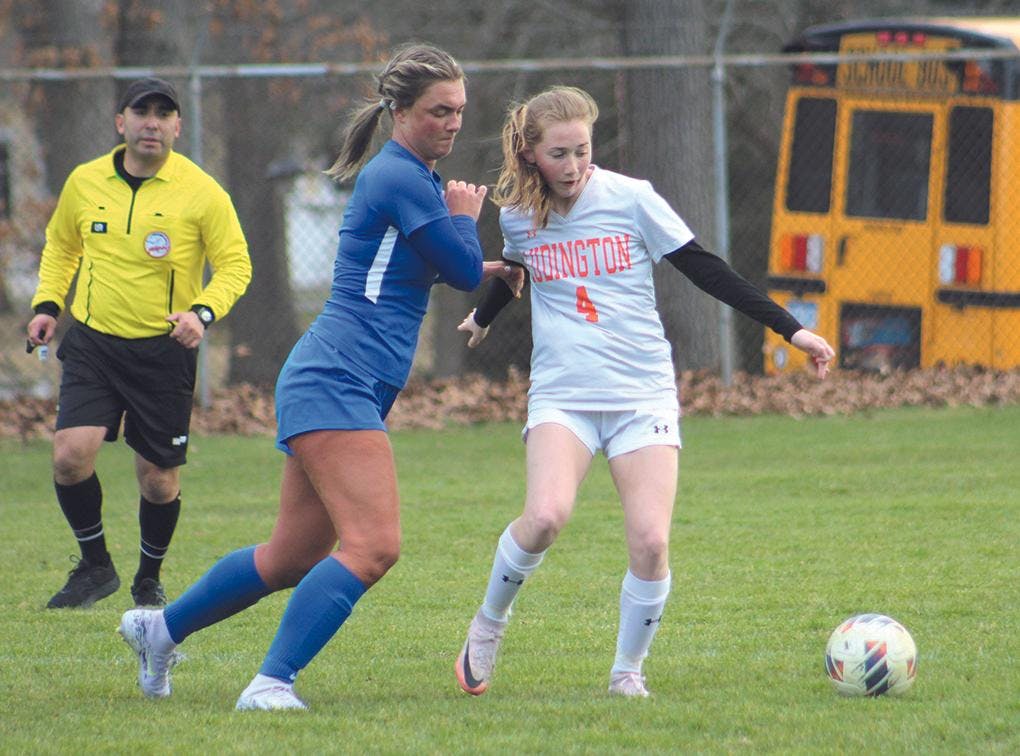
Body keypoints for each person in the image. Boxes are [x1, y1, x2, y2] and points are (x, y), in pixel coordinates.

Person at [118, 43, 518, 711]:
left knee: (290, 556)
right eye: (438, 111)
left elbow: (428, 267)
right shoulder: (399, 175)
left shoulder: (416, 177)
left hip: (336, 378)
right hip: (336, 378)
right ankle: (270, 683)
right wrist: (464, 217)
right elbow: (451, 261)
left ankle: (159, 630)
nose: (451, 123)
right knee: (374, 547)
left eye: (459, 111)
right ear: (398, 112)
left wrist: (492, 268)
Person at [453, 86, 836, 698]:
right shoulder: (518, 213)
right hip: (564, 395)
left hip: (641, 394)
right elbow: (518, 265)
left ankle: (627, 672)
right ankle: (488, 624)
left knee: (652, 542)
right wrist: (484, 316)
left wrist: (792, 330)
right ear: (530, 155)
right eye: (559, 154)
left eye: (582, 150)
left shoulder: (631, 200)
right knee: (546, 517)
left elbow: (707, 268)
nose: (574, 166)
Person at [27, 77, 252, 610]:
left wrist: (202, 313)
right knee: (69, 456)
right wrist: (46, 306)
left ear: (178, 126)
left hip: (163, 351)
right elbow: (61, 247)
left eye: (163, 114)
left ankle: (148, 578)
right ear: (120, 122)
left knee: (157, 480)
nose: (151, 122)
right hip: (94, 344)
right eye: (141, 111)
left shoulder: (202, 192)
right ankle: (95, 566)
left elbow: (236, 265)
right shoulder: (85, 182)